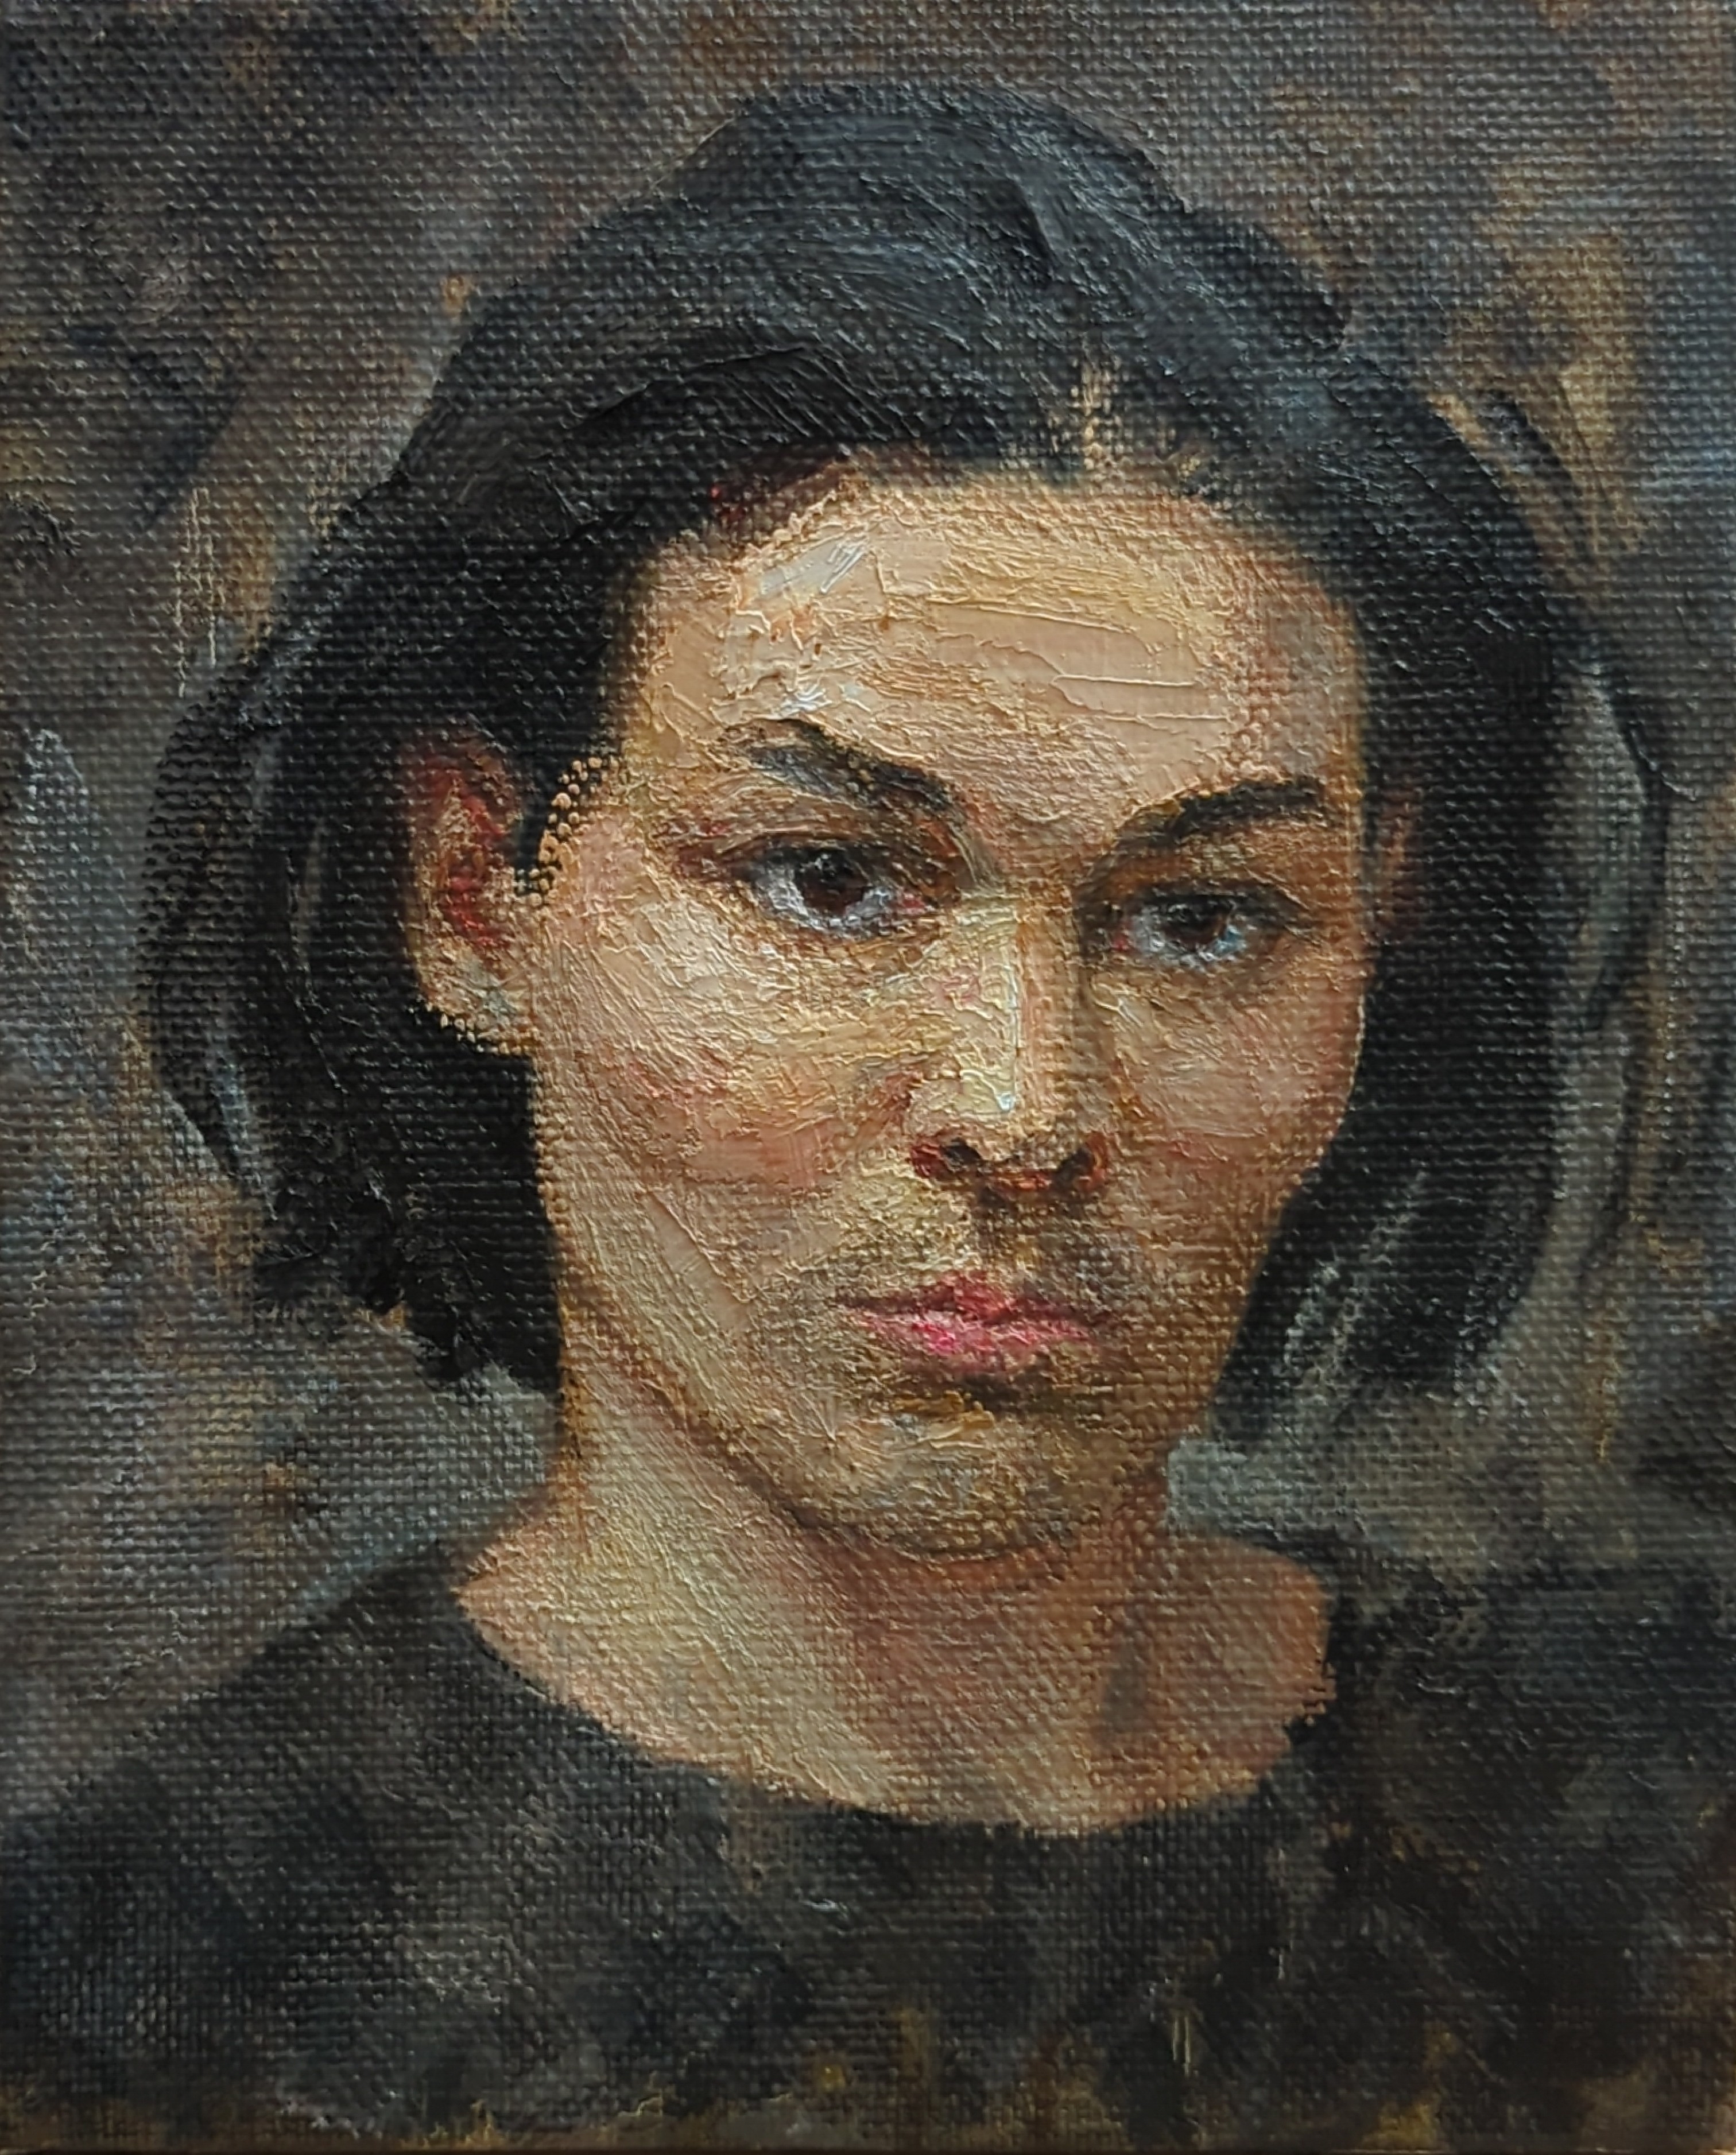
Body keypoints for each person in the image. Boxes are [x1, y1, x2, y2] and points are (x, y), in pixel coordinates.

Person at [6, 80, 1736, 2151]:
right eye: (828, 879)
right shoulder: (143, 1988)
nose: (1027, 1107)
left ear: (1385, 924)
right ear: (476, 893)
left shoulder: (1651, 1817)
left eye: (1202, 916)